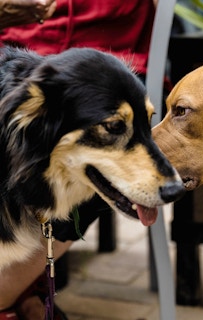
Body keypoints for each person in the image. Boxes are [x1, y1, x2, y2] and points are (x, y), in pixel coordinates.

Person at [0, 1, 156, 319]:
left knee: (91, 151)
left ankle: (13, 293)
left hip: (113, 72)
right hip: (16, 62)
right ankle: (26, 291)